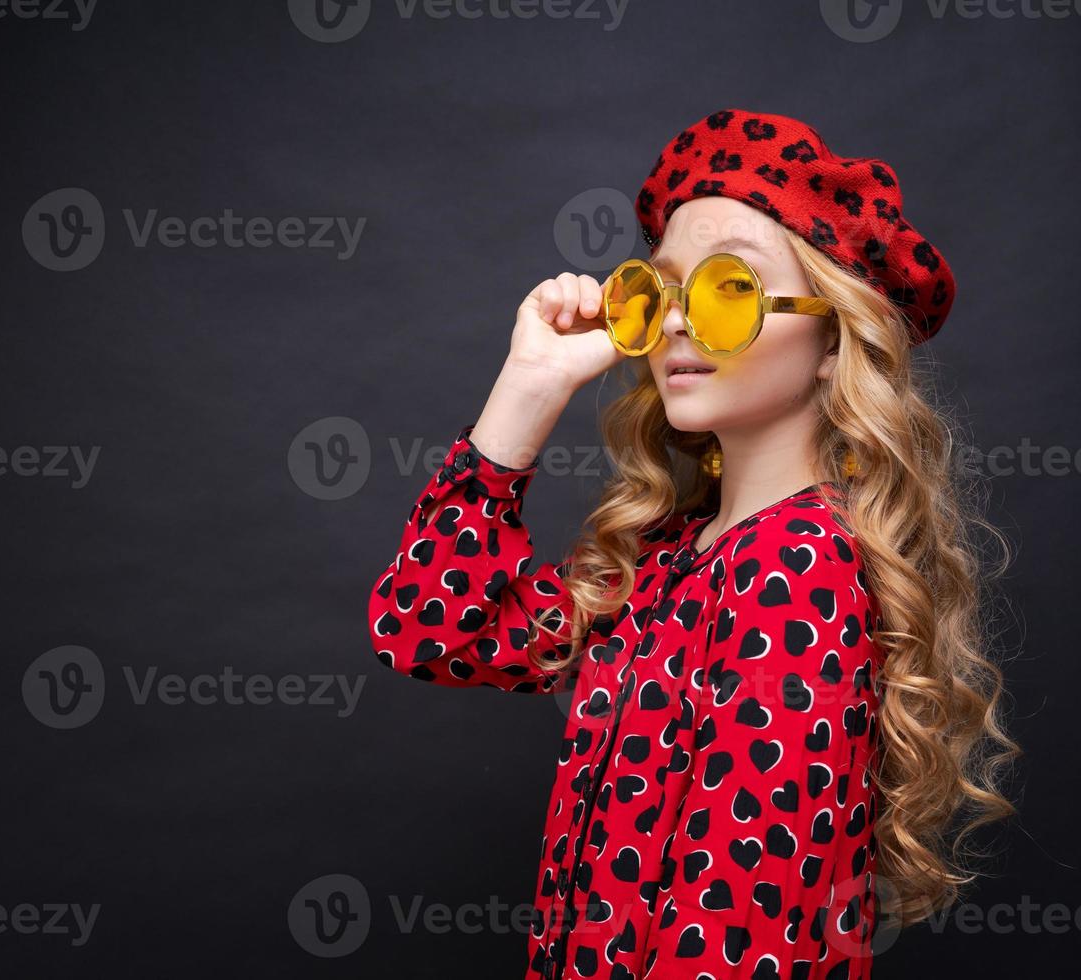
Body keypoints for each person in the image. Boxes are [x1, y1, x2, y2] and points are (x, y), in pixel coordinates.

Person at [367, 108, 1018, 980]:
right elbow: (429, 630)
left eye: (728, 290)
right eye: (663, 289)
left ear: (832, 339)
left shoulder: (795, 572)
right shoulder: (679, 552)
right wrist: (529, 384)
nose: (676, 322)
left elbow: (732, 943)